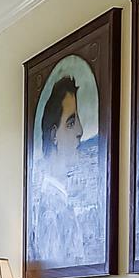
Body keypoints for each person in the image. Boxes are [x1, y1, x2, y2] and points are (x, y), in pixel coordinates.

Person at [29, 73, 96, 266]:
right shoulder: (50, 211)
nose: (81, 131)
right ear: (54, 135)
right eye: (71, 123)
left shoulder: (60, 199)